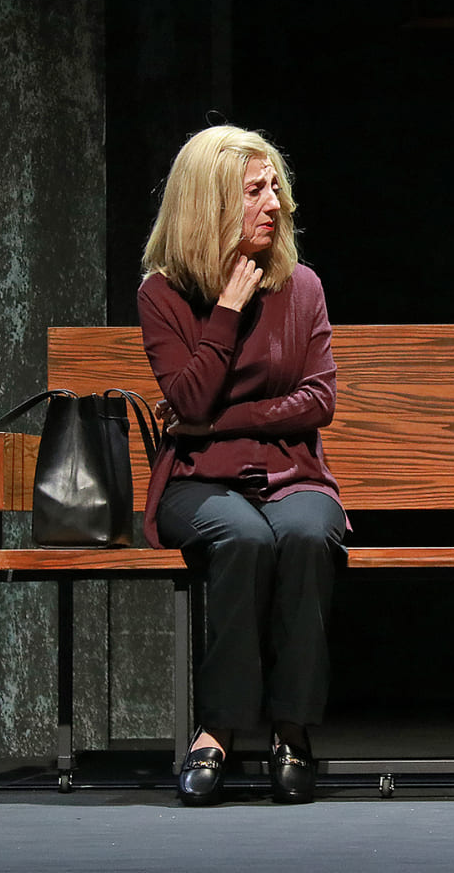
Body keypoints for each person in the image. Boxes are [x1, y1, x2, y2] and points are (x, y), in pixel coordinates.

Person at [139, 125, 347, 806]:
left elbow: (319, 400)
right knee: (244, 537)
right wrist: (227, 306)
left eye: (274, 187)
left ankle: (291, 728)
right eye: (254, 191)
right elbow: (188, 395)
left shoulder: (303, 286)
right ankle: (219, 730)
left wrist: (219, 421)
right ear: (209, 205)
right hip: (199, 480)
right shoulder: (163, 295)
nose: (274, 203)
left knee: (309, 534)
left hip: (294, 473)